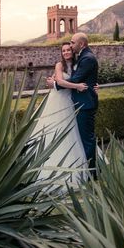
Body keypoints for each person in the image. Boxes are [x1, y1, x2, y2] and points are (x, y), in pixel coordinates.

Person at [33, 42, 88, 183]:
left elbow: (85, 77)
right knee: (54, 128)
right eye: (63, 51)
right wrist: (77, 86)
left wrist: (93, 86)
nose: (66, 52)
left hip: (70, 100)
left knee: (72, 130)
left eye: (68, 50)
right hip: (58, 99)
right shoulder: (59, 65)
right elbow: (61, 83)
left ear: (72, 50)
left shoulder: (78, 65)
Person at [47, 32, 99, 173]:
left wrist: (56, 85)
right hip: (72, 103)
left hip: (84, 104)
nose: (70, 46)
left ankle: (92, 173)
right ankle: (87, 169)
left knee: (86, 139)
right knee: (78, 137)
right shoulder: (79, 58)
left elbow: (77, 79)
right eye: (64, 49)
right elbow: (82, 78)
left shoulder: (86, 58)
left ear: (81, 44)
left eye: (72, 43)